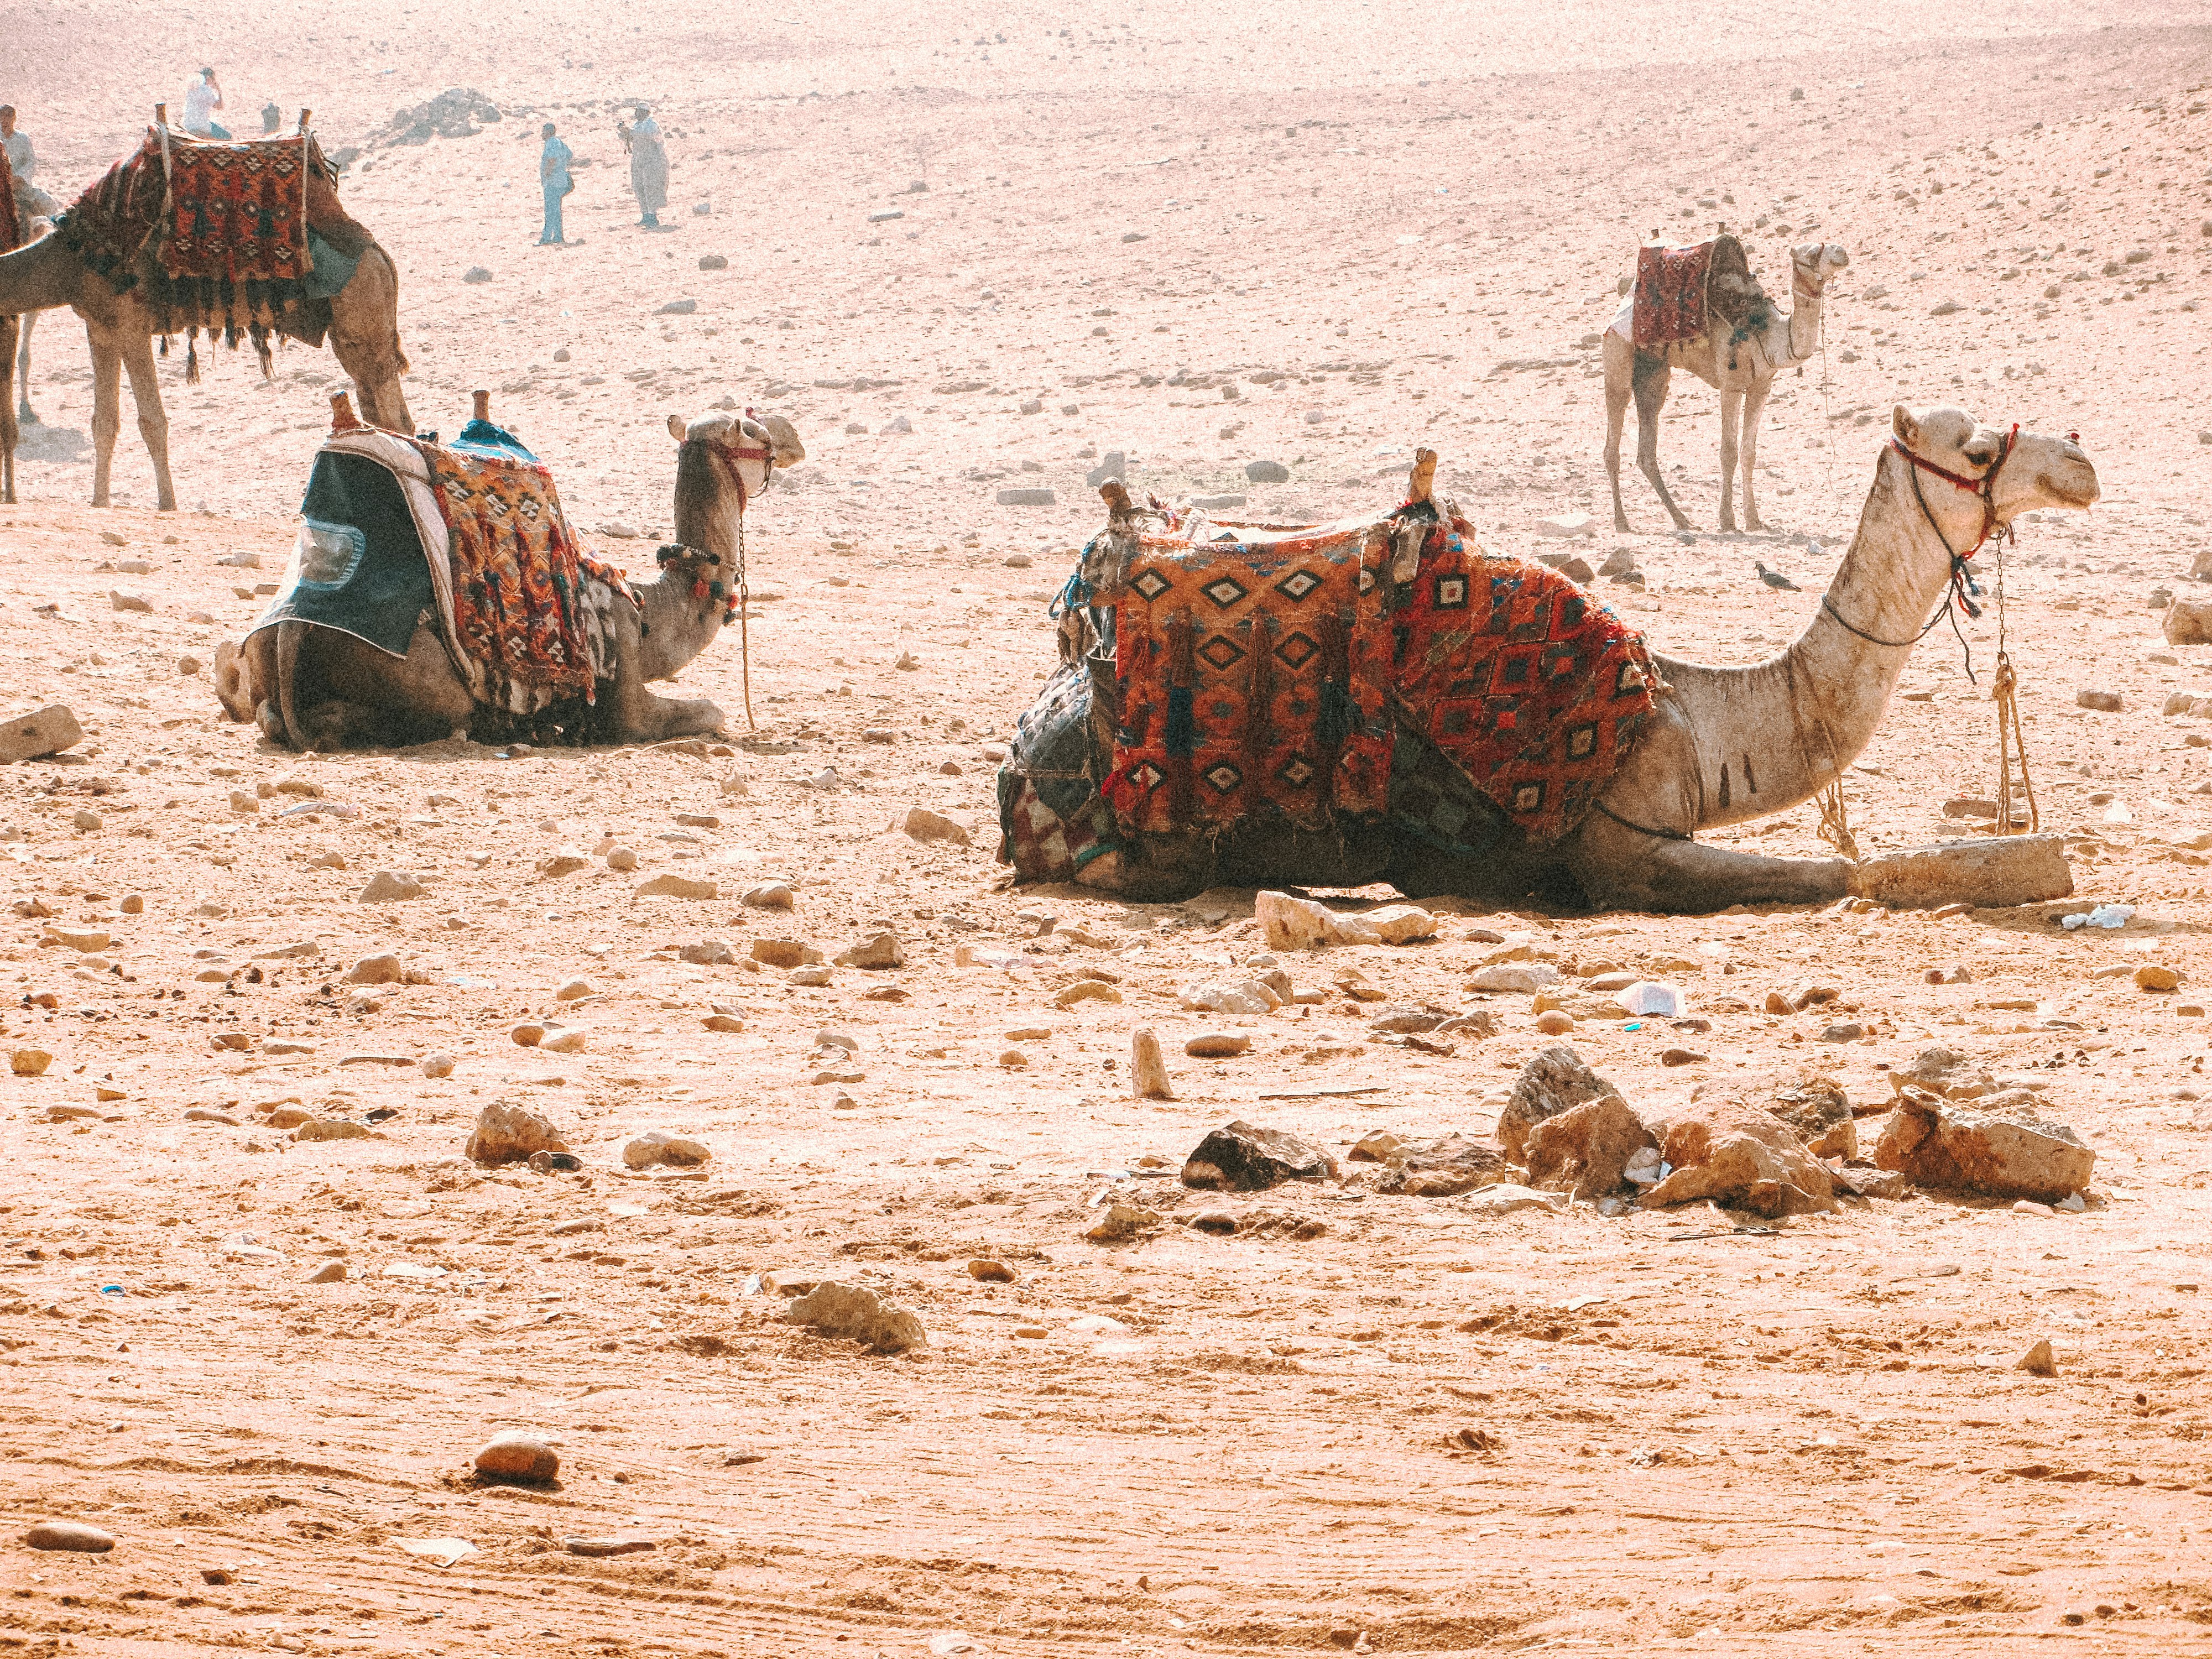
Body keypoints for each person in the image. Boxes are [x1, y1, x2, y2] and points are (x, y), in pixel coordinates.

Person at [618, 103, 667, 229]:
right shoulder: (637, 125)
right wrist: (625, 133)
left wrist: (632, 132)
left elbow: (652, 138)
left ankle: (652, 214)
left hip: (652, 161)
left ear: (645, 112)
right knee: (638, 187)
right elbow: (633, 137)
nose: (636, 114)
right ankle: (645, 214)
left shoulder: (652, 125)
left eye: (638, 111)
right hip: (639, 161)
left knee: (650, 187)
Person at [538, 122, 572, 246]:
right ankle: (558, 236)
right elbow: (569, 155)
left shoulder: (552, 143)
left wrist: (548, 172)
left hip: (553, 182)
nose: (542, 134)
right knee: (556, 211)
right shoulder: (560, 143)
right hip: (560, 181)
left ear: (549, 132)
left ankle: (546, 238)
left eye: (544, 131)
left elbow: (552, 159)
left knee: (550, 211)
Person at [181, 67, 229, 139]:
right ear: (209, 78)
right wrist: (219, 91)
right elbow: (220, 107)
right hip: (202, 126)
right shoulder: (207, 92)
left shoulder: (191, 90)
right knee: (227, 136)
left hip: (187, 124)